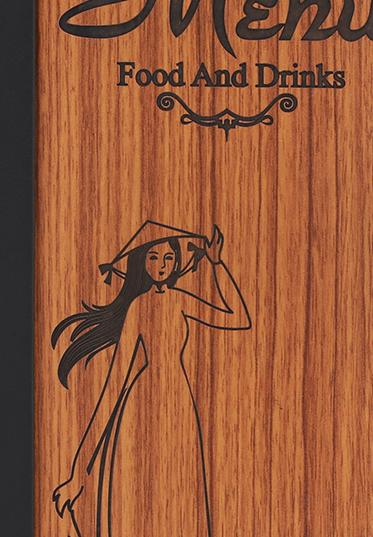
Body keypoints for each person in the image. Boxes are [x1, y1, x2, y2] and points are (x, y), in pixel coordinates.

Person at [51, 220, 251, 537]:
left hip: (180, 402)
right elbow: (114, 384)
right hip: (142, 407)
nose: (161, 265)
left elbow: (238, 318)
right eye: (153, 257)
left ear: (177, 263)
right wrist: (78, 472)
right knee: (141, 492)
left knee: (182, 490)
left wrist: (217, 265)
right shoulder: (139, 306)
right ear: (141, 262)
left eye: (168, 258)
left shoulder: (180, 299)